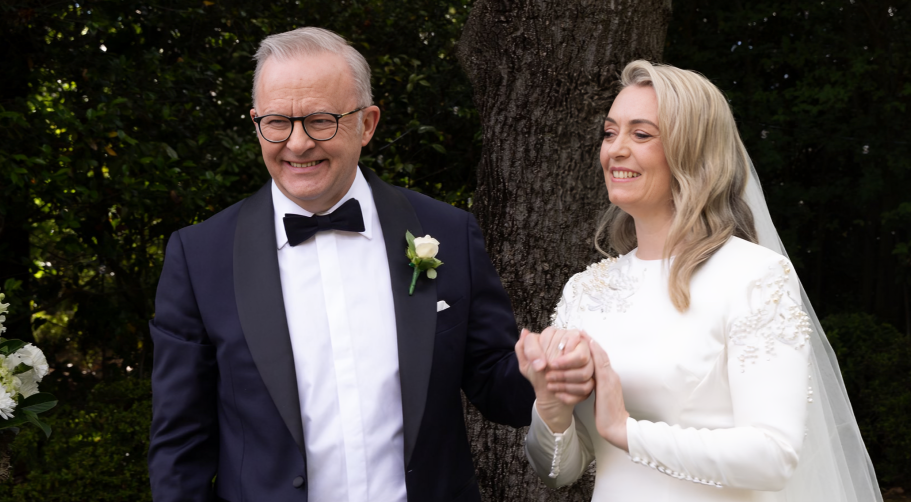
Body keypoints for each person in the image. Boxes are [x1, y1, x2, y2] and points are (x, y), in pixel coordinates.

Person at [147, 27, 593, 502]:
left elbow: (495, 384)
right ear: (257, 122)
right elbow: (180, 444)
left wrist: (544, 377)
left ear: (367, 123)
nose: (297, 144)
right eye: (277, 122)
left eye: (321, 120)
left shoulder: (449, 232)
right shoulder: (199, 256)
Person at [520, 61, 884, 501]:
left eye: (641, 134)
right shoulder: (584, 291)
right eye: (610, 131)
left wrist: (626, 430)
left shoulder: (753, 277)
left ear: (692, 151)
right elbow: (560, 472)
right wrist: (552, 406)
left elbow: (773, 457)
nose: (615, 149)